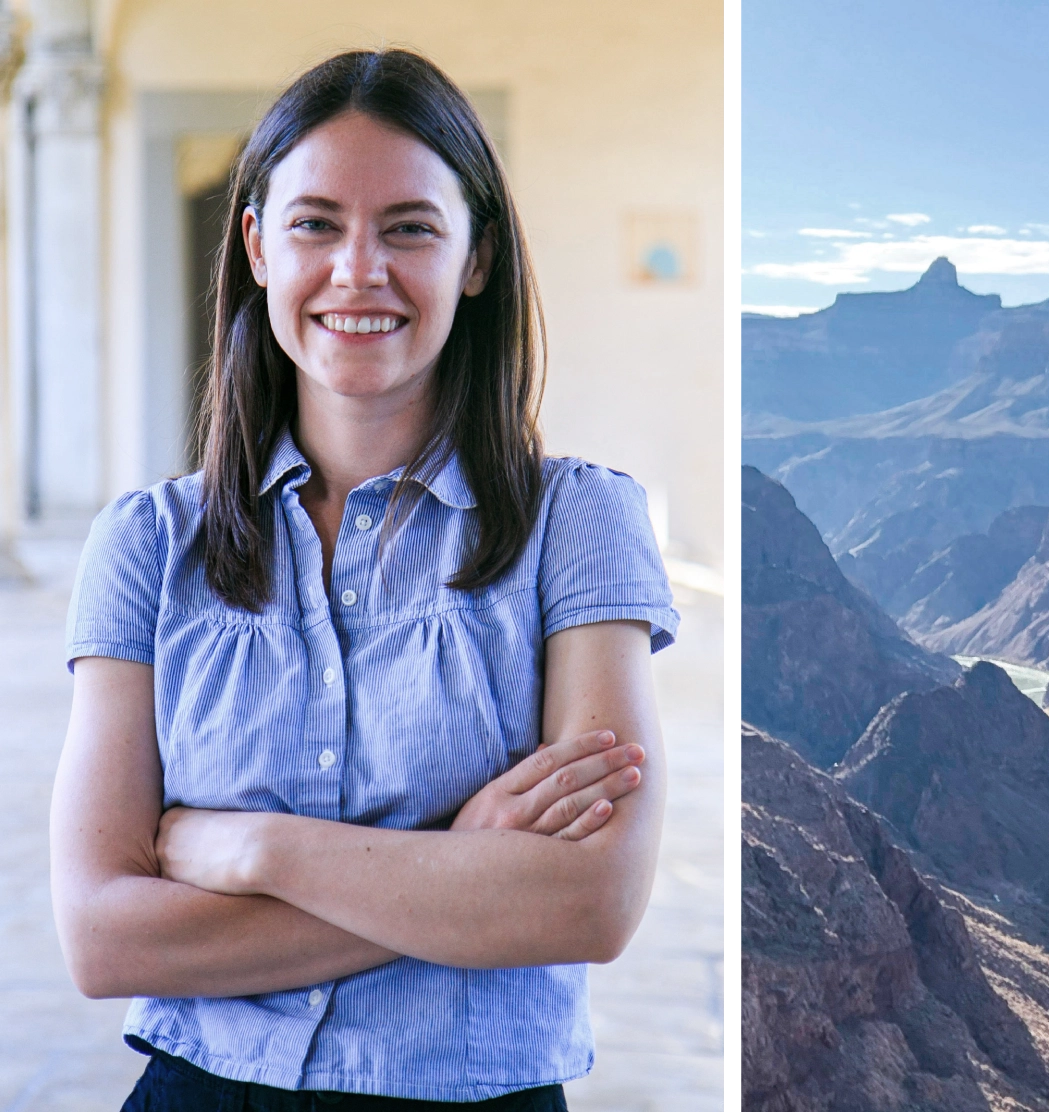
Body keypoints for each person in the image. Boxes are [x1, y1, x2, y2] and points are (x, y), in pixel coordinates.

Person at [48, 49, 677, 1108]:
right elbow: (105, 937)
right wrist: (456, 869)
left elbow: (590, 901)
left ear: (475, 256)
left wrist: (249, 846)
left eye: (410, 227)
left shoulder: (579, 522)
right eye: (316, 223)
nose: (358, 271)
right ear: (254, 244)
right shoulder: (146, 543)